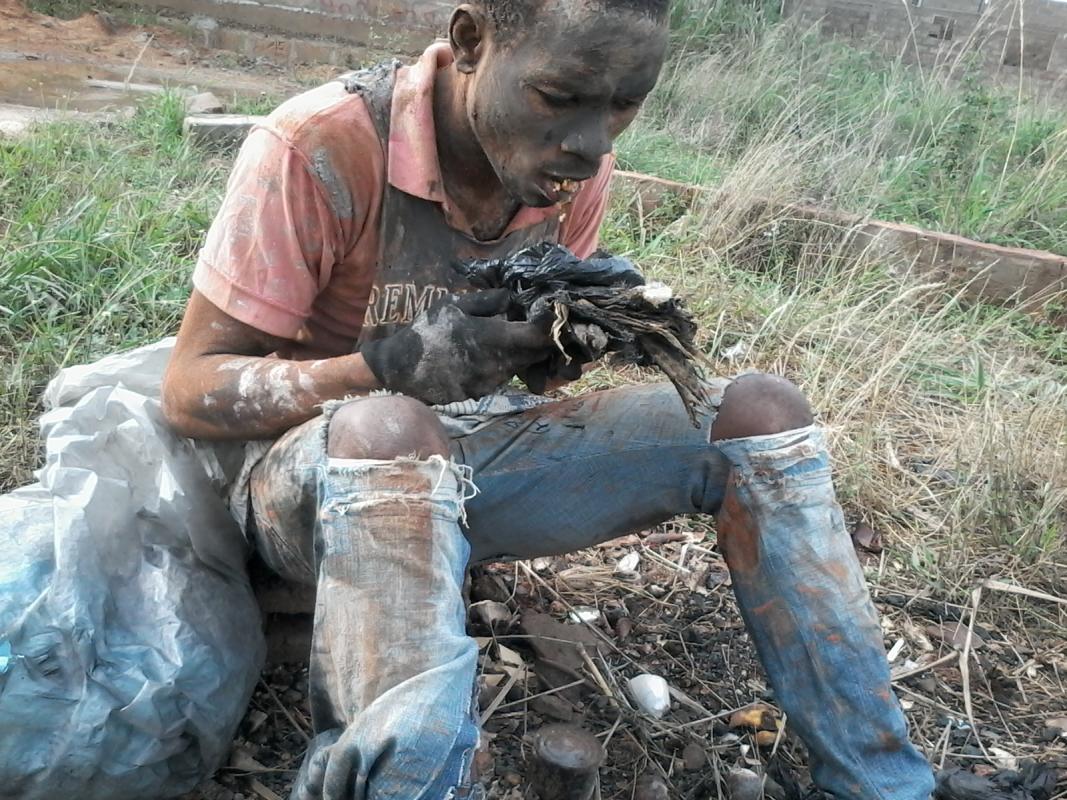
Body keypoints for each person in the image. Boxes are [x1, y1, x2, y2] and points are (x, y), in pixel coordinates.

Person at [161, 1, 936, 797]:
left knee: (759, 415)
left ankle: (880, 781)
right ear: (471, 43)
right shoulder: (319, 144)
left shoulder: (565, 171)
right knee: (391, 425)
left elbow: (532, 378)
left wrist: (560, 345)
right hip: (302, 487)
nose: (591, 143)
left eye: (623, 104)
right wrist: (388, 367)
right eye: (560, 97)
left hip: (457, 460)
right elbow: (190, 389)